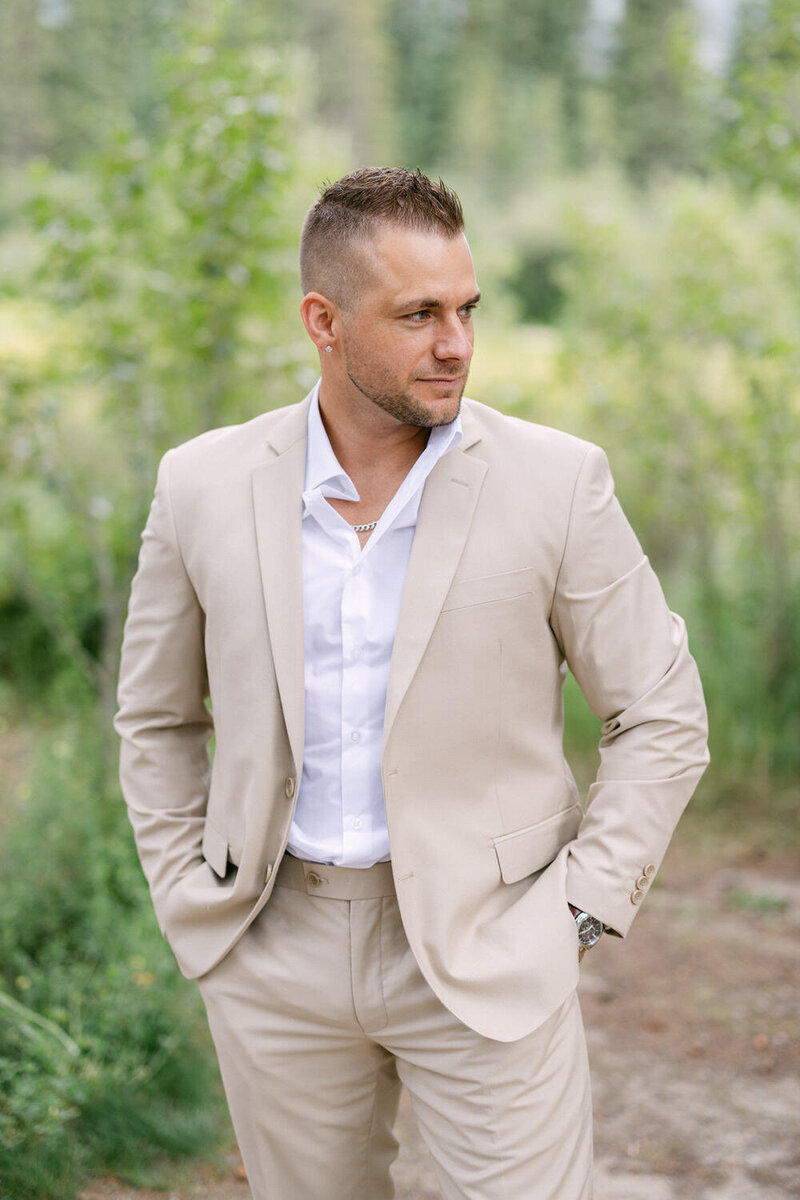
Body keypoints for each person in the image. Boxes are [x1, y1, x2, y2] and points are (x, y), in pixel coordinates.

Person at [115, 166, 709, 1200]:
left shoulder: (556, 483)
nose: (456, 344)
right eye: (418, 314)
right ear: (324, 320)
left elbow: (659, 713)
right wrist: (188, 900)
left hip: (494, 942)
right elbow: (158, 719)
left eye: (466, 310)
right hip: (274, 947)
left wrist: (577, 911)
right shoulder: (200, 483)